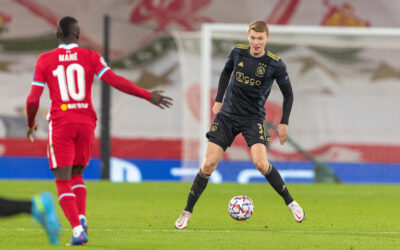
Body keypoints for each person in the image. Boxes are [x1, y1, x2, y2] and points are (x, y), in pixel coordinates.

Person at [26, 16, 173, 245]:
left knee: (62, 180)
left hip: (62, 122)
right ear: (78, 34)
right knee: (77, 174)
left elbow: (33, 100)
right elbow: (114, 80)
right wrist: (148, 95)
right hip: (86, 122)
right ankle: (81, 218)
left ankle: (77, 231)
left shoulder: (45, 60)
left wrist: (30, 123)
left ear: (58, 34)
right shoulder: (90, 56)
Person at [174, 20, 305, 229]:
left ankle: (291, 203)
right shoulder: (238, 52)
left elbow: (288, 94)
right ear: (248, 37)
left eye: (260, 38)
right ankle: (187, 212)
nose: (256, 42)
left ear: (267, 39)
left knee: (261, 164)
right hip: (226, 116)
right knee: (208, 164)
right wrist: (218, 100)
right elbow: (226, 72)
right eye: (253, 37)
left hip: (253, 119)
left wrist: (284, 123)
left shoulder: (275, 64)